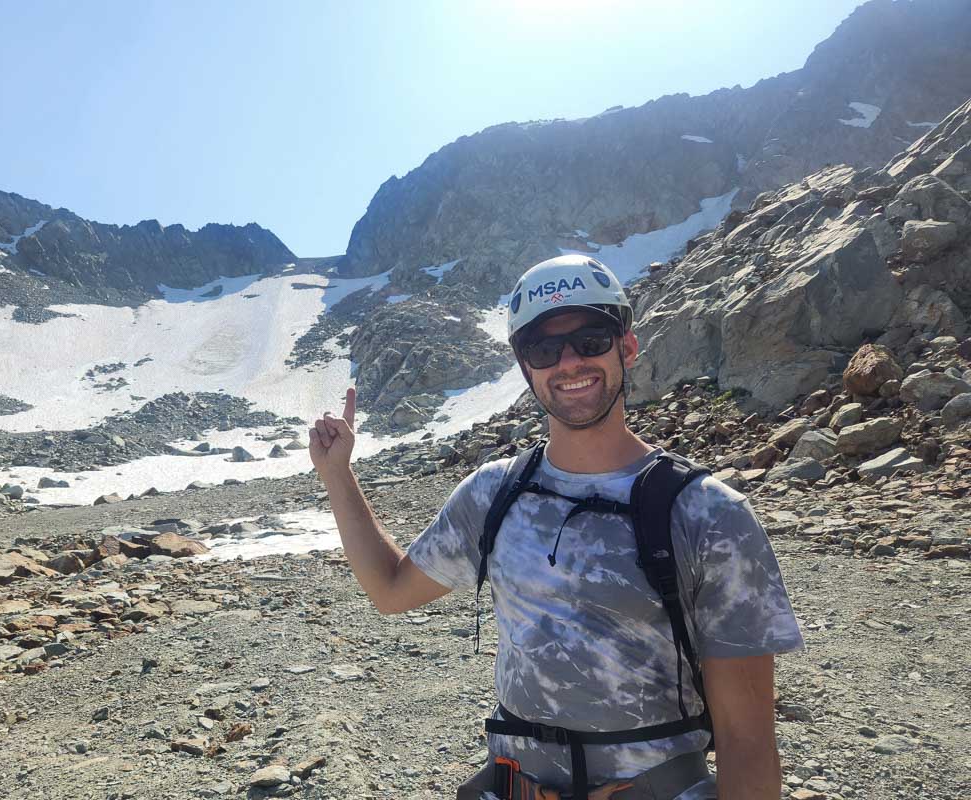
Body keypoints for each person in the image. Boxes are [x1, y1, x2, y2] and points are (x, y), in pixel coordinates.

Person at [308, 254, 804, 800]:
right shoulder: (491, 493)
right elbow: (390, 589)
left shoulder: (710, 514)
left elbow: (747, 740)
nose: (568, 362)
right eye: (543, 349)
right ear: (525, 367)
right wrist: (338, 475)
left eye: (590, 339)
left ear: (627, 347)